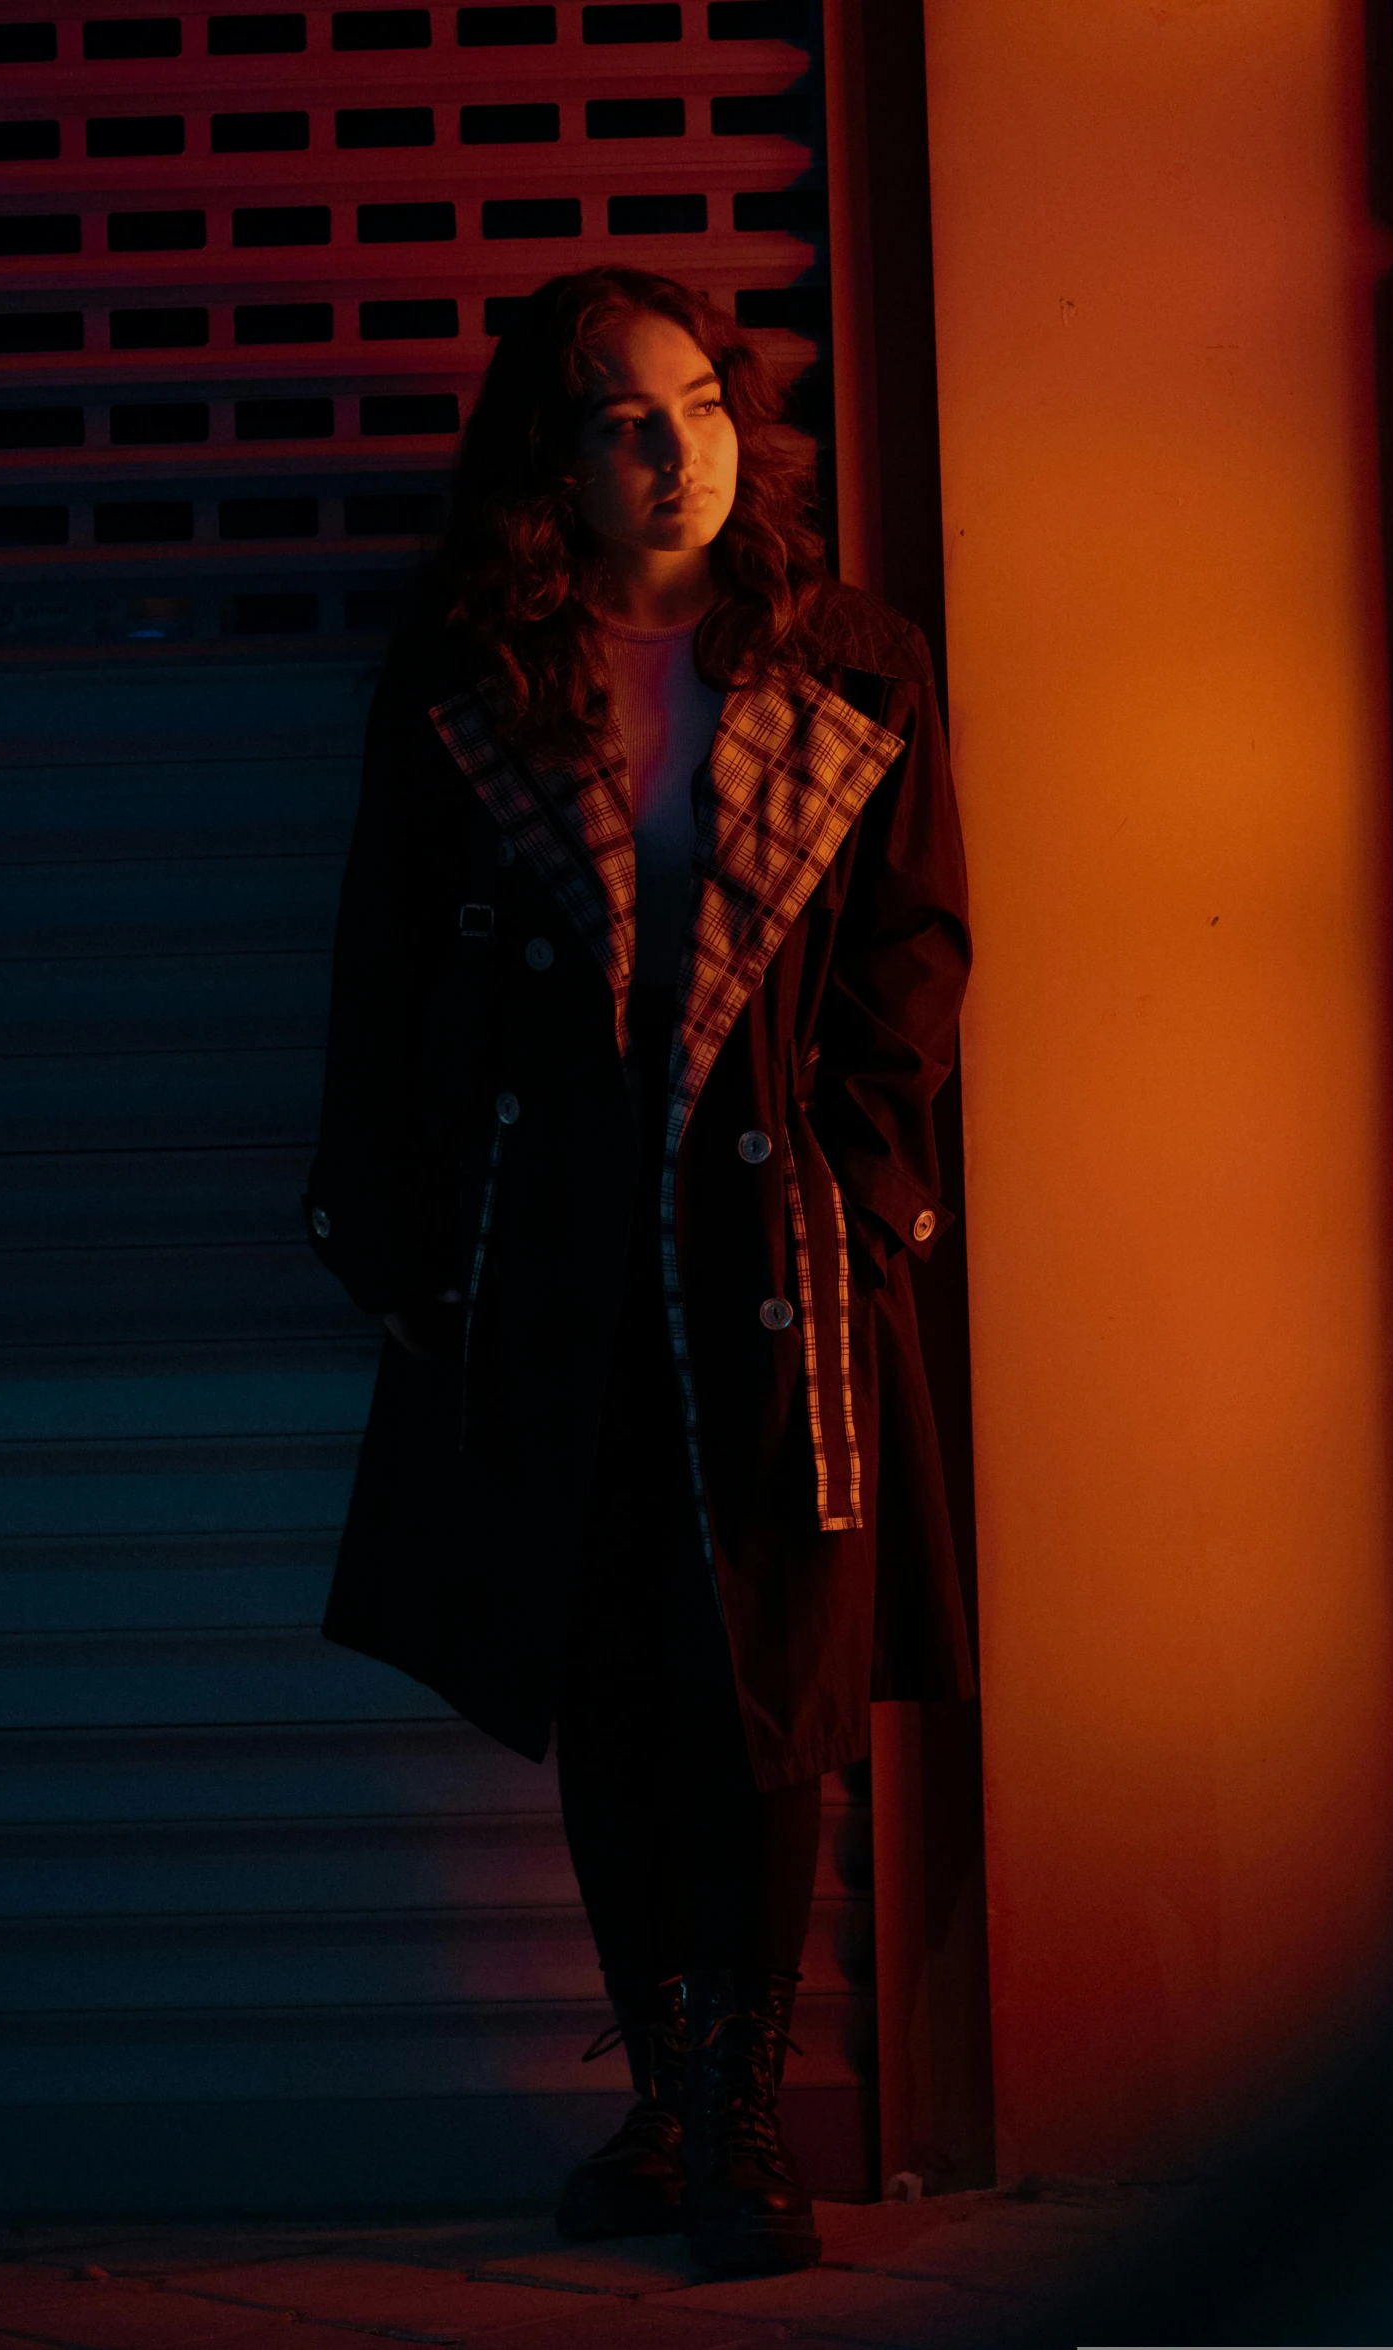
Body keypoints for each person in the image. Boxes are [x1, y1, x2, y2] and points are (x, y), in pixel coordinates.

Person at [303, 265, 973, 2275]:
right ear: (550, 453)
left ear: (740, 424)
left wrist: (864, 1176)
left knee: (765, 1676)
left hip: (776, 1235)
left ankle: (746, 2112)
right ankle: (668, 2116)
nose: (667, 447)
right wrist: (398, 1230)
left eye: (694, 402)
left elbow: (917, 951)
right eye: (615, 414)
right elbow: (386, 968)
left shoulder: (852, 655)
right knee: (602, 1664)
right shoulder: (470, 667)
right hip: (557, 1228)